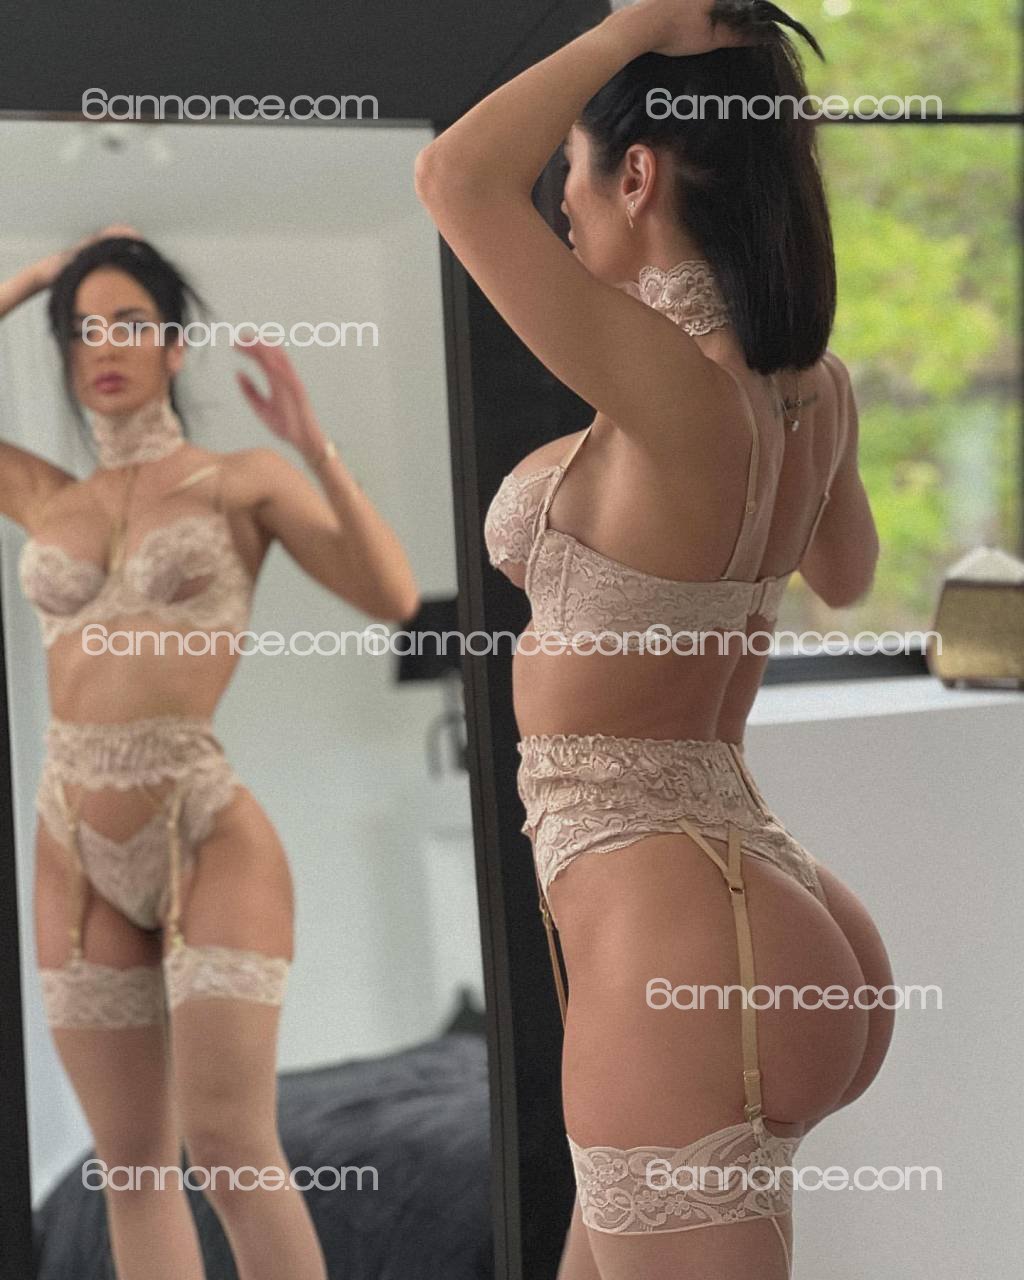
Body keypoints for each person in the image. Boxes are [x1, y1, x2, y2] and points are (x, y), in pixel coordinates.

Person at [416, 1, 895, 1276]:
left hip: (679, 935)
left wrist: (632, 23)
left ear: (637, 174)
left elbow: (454, 176)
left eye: (571, 174)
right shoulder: (811, 388)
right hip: (749, 897)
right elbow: (845, 572)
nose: (561, 209)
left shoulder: (674, 383)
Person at [0, 228, 419, 1280]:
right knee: (131, 1169)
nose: (106, 343)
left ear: (175, 345)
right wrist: (42, 276)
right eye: (83, 329)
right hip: (68, 839)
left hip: (203, 828)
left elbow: (393, 595)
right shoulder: (48, 497)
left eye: (129, 322)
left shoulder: (241, 481)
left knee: (230, 1148)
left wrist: (314, 444)